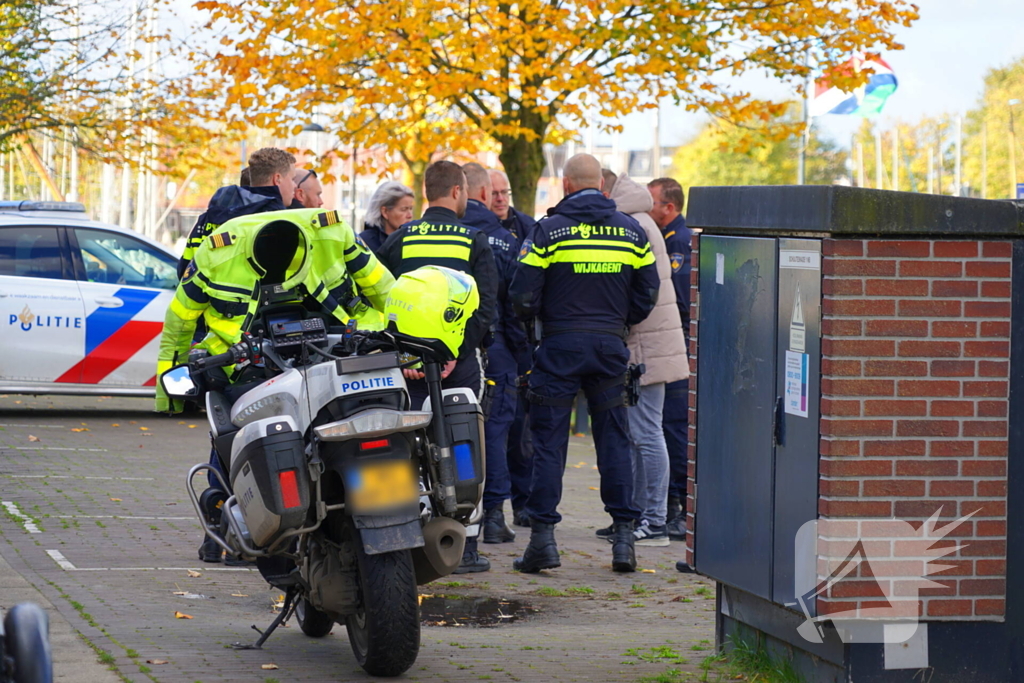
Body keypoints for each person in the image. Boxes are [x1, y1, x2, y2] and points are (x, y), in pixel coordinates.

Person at [156, 208, 394, 562]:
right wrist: (172, 393)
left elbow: (385, 289)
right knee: (235, 431)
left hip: (337, 347)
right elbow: (179, 320)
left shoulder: (331, 232)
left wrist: (392, 335)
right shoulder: (218, 252)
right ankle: (227, 520)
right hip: (242, 361)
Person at [509, 153, 659, 574]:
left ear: (567, 185)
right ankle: (624, 539)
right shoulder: (631, 232)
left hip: (558, 347)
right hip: (610, 348)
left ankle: (542, 541)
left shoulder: (547, 231)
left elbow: (521, 293)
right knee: (614, 439)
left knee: (549, 444)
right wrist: (617, 323)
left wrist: (540, 324)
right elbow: (648, 293)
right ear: (602, 187)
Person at [376, 161, 499, 573]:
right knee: (465, 444)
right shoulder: (474, 240)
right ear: (460, 191)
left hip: (404, 368)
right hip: (457, 366)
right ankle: (467, 548)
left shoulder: (400, 239)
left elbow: (383, 302)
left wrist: (404, 356)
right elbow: (484, 311)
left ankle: (400, 541)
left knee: (399, 448)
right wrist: (451, 356)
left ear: (427, 192)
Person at [592, 172, 688, 548]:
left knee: (647, 431)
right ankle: (635, 517)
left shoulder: (633, 225)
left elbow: (638, 289)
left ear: (604, 192)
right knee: (639, 432)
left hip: (646, 346)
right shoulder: (641, 221)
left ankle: (654, 521)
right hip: (649, 344)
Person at [460, 163, 520, 547]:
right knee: (494, 432)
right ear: (481, 193)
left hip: (445, 349)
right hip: (495, 349)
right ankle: (494, 518)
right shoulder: (504, 240)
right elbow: (517, 305)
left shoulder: (438, 237)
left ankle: (460, 520)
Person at [647, 177, 693, 546]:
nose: (648, 208)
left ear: (669, 207)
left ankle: (679, 508)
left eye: (653, 202)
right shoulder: (668, 238)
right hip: (672, 348)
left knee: (674, 428)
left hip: (676, 349)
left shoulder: (679, 242)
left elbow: (678, 300)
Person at [178, 148, 297, 278]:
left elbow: (185, 271)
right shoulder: (278, 220)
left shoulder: (209, 217)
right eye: (292, 179)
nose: (295, 186)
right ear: (277, 179)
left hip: (204, 296)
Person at [360, 181, 416, 253]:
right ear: (385, 211)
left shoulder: (413, 240)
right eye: (404, 209)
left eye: (411, 209)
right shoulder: (365, 243)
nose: (410, 215)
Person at [488, 169, 537, 243]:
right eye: (494, 193)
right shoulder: (476, 224)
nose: (500, 199)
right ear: (484, 194)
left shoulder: (527, 225)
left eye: (504, 192)